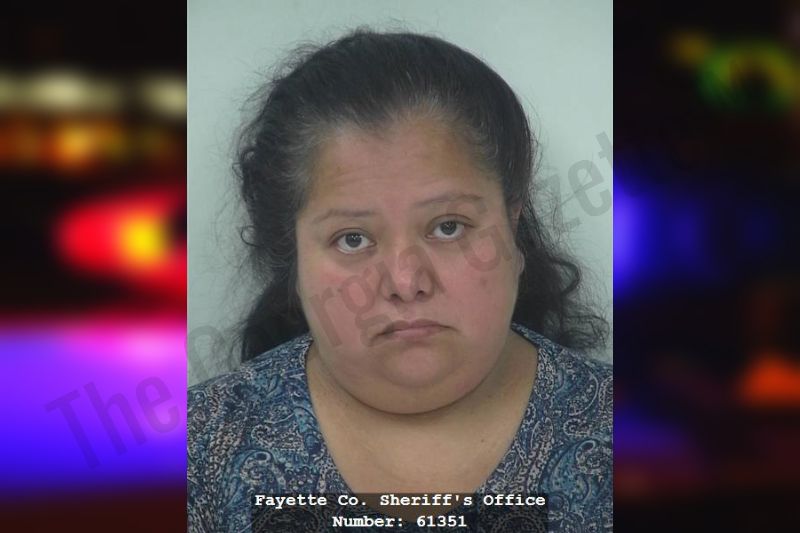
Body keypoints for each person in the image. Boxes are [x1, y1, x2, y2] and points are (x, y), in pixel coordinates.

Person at [188, 29, 611, 532]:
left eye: (449, 227)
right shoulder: (196, 451)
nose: (407, 282)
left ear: (511, 228)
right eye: (352, 239)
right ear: (293, 259)